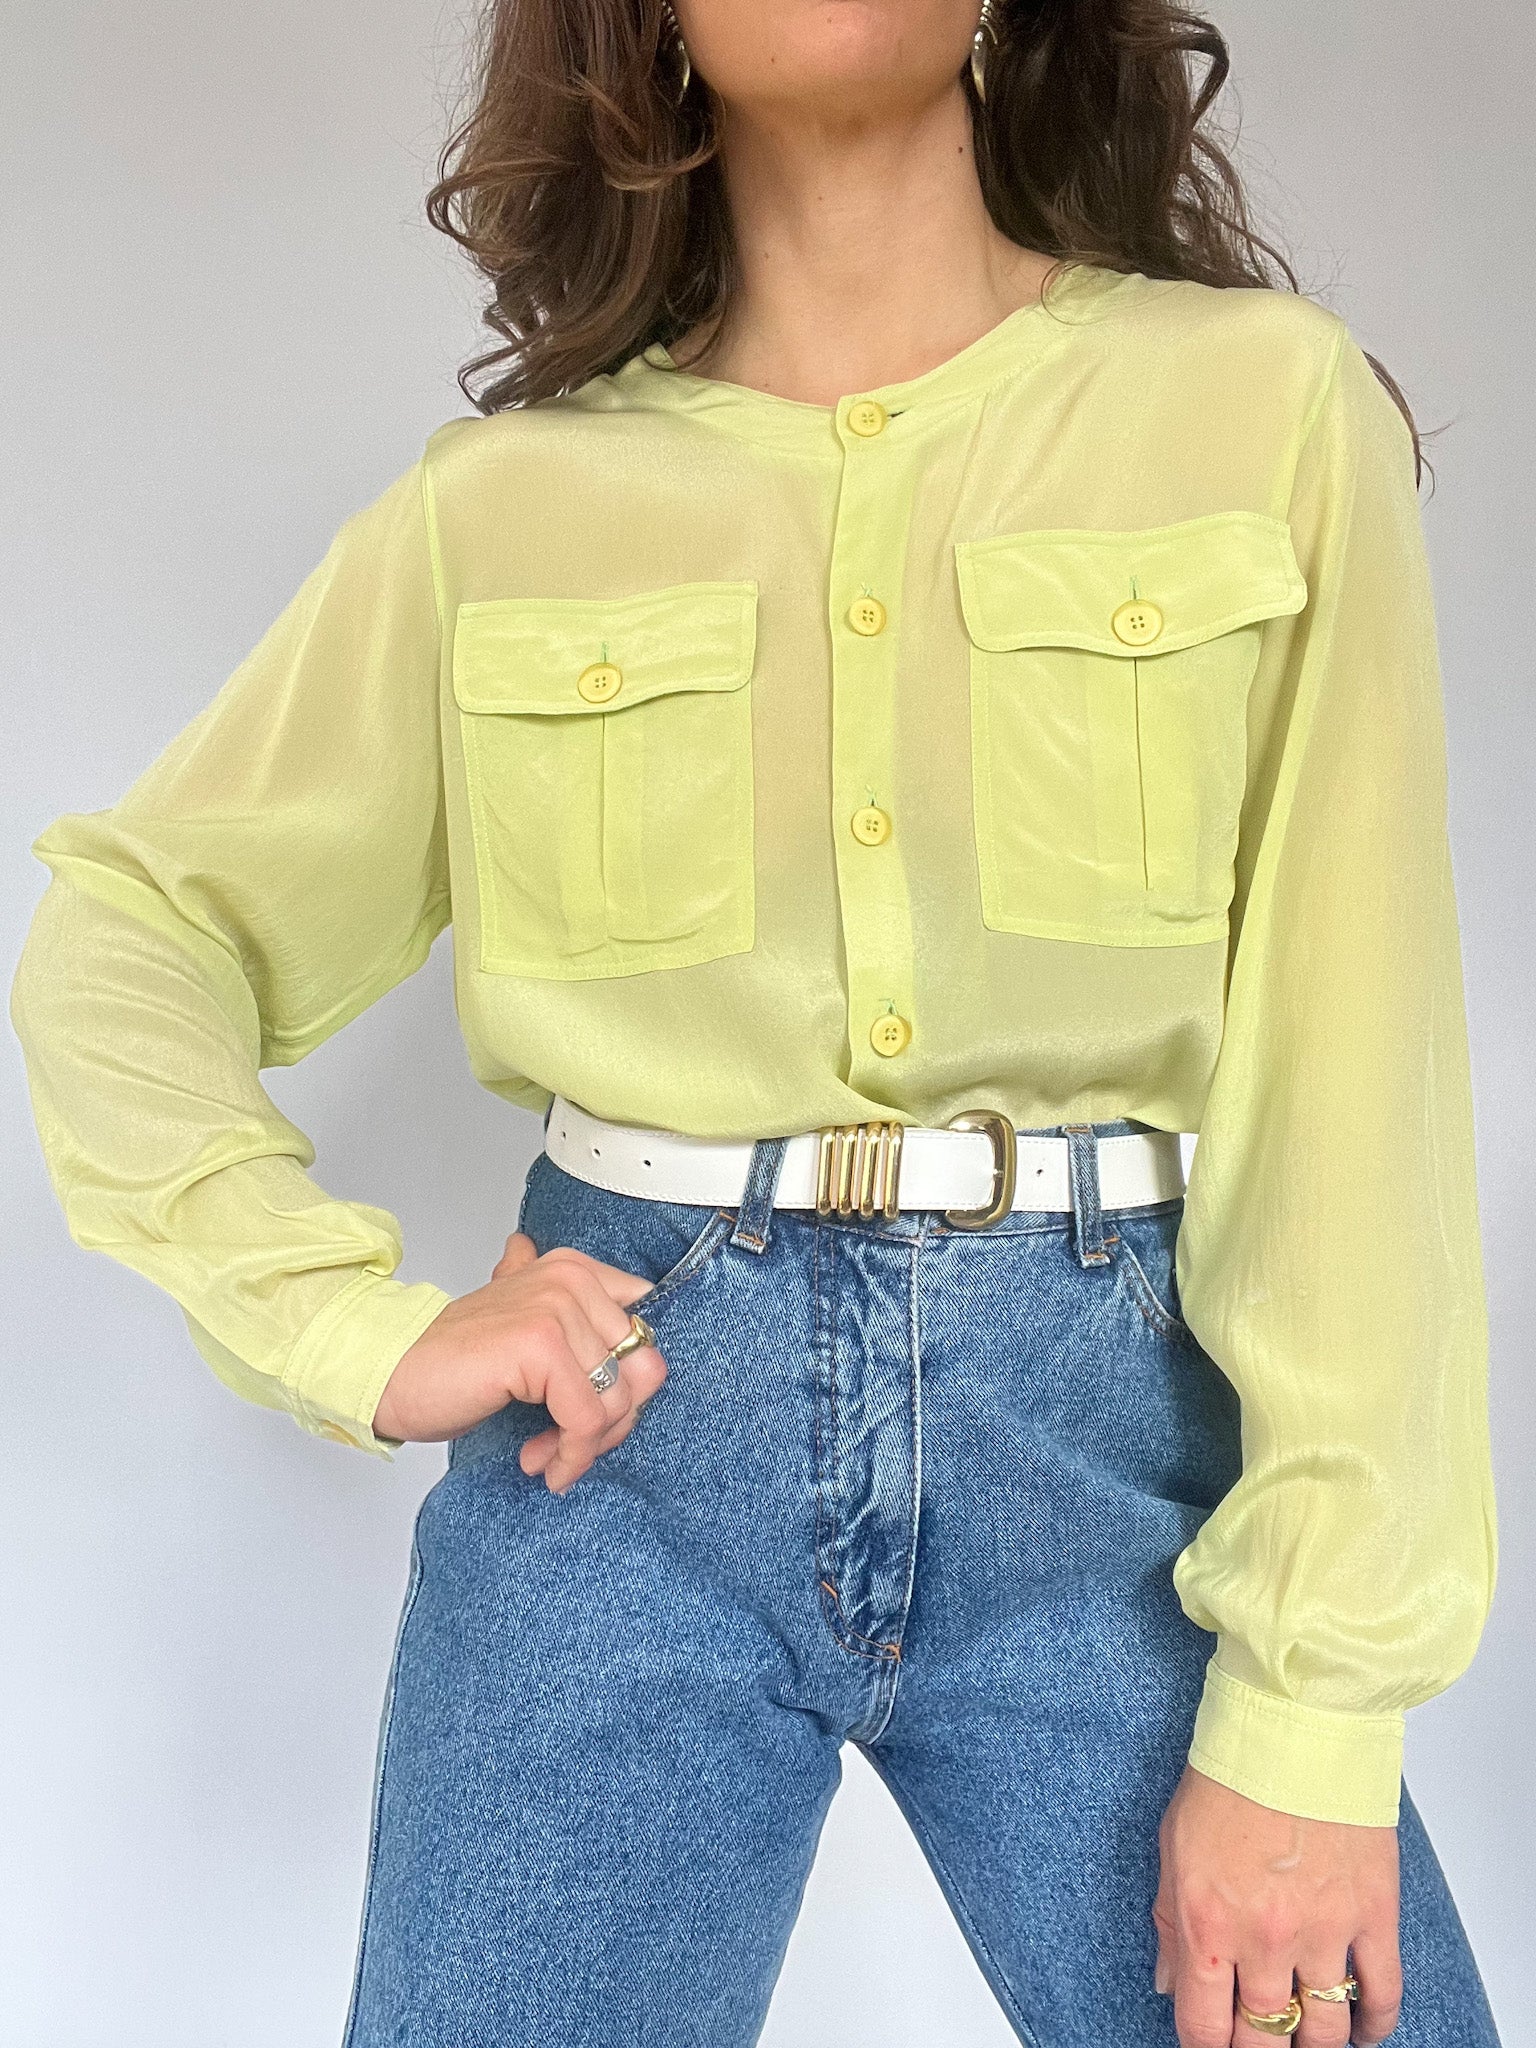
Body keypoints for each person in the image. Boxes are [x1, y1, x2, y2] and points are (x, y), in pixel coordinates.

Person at [9, 2, 1502, 2044]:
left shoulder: (1262, 412)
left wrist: (1317, 1712)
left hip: (1122, 1482)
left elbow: (1358, 1093)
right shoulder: (500, 512)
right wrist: (344, 1323)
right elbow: (133, 931)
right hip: (615, 1458)